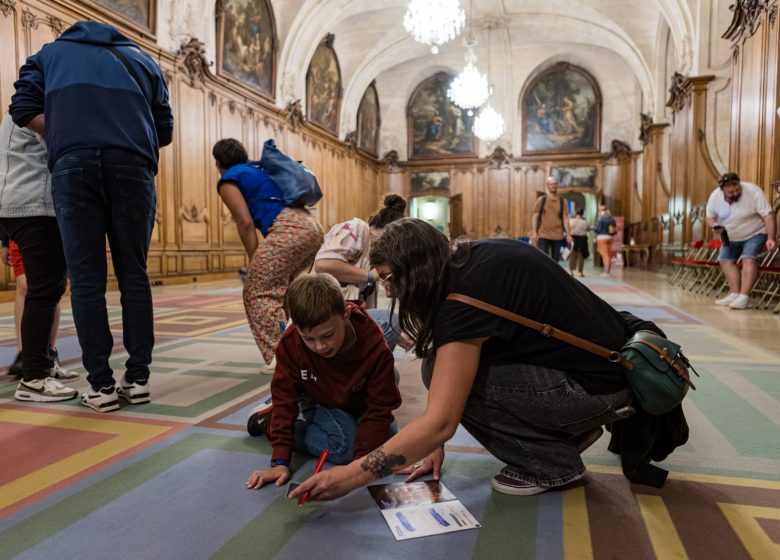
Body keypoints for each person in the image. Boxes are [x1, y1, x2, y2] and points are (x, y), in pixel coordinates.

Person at [288, 219, 673, 503]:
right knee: (436, 366)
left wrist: (350, 477)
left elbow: (441, 422)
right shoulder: (475, 257)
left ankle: (552, 463)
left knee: (454, 382)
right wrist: (427, 445)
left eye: (390, 280)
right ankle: (570, 432)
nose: (389, 291)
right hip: (612, 369)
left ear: (416, 271)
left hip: (603, 388)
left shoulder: (461, 304)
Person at [10, 21, 174, 412]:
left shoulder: (49, 55)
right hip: (133, 167)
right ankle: (138, 380)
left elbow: (21, 108)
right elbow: (164, 130)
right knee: (134, 275)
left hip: (73, 166)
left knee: (86, 282)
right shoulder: (144, 61)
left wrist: (71, 130)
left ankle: (100, 387)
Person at [246, 273, 401, 489]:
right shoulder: (291, 342)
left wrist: (358, 466)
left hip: (356, 398)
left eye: (327, 335)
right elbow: (284, 398)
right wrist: (280, 460)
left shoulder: (373, 343)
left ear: (346, 315)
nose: (319, 346)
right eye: (308, 338)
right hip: (315, 396)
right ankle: (267, 423)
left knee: (388, 440)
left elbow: (379, 408)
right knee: (344, 447)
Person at [213, 138, 323, 373]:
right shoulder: (257, 168)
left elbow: (244, 222)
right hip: (311, 227)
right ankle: (303, 349)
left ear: (218, 162)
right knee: (286, 293)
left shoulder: (229, 178)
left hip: (289, 230)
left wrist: (254, 260)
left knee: (258, 293)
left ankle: (281, 357)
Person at [0, 113, 77, 403]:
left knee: (48, 289)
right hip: (33, 205)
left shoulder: (25, 107)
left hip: (28, 204)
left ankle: (42, 364)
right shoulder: (33, 108)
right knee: (41, 290)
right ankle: (34, 377)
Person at [313, 194, 407, 350]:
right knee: (390, 322)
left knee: (392, 371)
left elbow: (363, 310)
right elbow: (323, 264)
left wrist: (395, 335)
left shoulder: (375, 256)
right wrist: (371, 276)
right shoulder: (358, 229)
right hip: (320, 311)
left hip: (343, 314)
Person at [706, 172, 776, 309]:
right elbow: (709, 217)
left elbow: (768, 215)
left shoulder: (753, 191)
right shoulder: (715, 196)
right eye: (731, 192)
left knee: (749, 259)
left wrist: (771, 237)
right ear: (723, 190)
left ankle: (744, 297)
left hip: (755, 232)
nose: (735, 193)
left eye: (737, 189)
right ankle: (735, 294)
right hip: (728, 234)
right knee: (725, 260)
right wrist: (715, 225)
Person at [531, 177, 572, 261]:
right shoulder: (541, 200)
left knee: (555, 260)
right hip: (543, 234)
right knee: (542, 259)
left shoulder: (562, 201)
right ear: (548, 186)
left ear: (557, 186)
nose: (553, 186)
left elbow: (565, 218)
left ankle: (553, 274)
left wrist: (568, 234)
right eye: (551, 184)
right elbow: (535, 216)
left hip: (557, 235)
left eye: (555, 184)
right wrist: (534, 232)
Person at [593, 205, 617, 277]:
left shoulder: (601, 218)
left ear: (602, 211)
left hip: (602, 238)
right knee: (608, 255)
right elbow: (615, 229)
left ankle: (606, 273)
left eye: (599, 210)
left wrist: (592, 228)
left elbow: (598, 230)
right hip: (610, 238)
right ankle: (608, 272)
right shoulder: (612, 219)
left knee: (605, 255)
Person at [568, 208, 590, 277]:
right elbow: (588, 229)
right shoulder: (584, 222)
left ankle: (571, 271)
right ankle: (580, 272)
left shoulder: (570, 221)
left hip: (573, 238)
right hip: (582, 239)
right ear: (582, 214)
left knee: (572, 255)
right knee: (581, 256)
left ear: (576, 214)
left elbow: (568, 228)